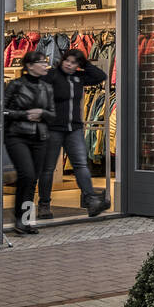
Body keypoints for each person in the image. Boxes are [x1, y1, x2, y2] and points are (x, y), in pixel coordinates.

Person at [40, 47, 111, 219]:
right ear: (62, 60)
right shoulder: (52, 76)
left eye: (74, 63)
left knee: (80, 165)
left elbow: (101, 76)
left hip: (74, 128)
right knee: (48, 168)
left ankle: (91, 201)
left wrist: (85, 63)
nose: (70, 65)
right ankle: (44, 205)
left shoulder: (79, 78)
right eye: (68, 61)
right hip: (54, 128)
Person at [4, 49, 55, 235]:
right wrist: (24, 115)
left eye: (45, 62)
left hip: (40, 137)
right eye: (41, 62)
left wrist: (42, 114)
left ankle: (25, 221)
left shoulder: (47, 87)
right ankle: (20, 218)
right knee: (26, 174)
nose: (45, 65)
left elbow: (52, 113)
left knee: (32, 179)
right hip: (17, 136)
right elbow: (1, 110)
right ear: (30, 66)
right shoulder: (15, 85)